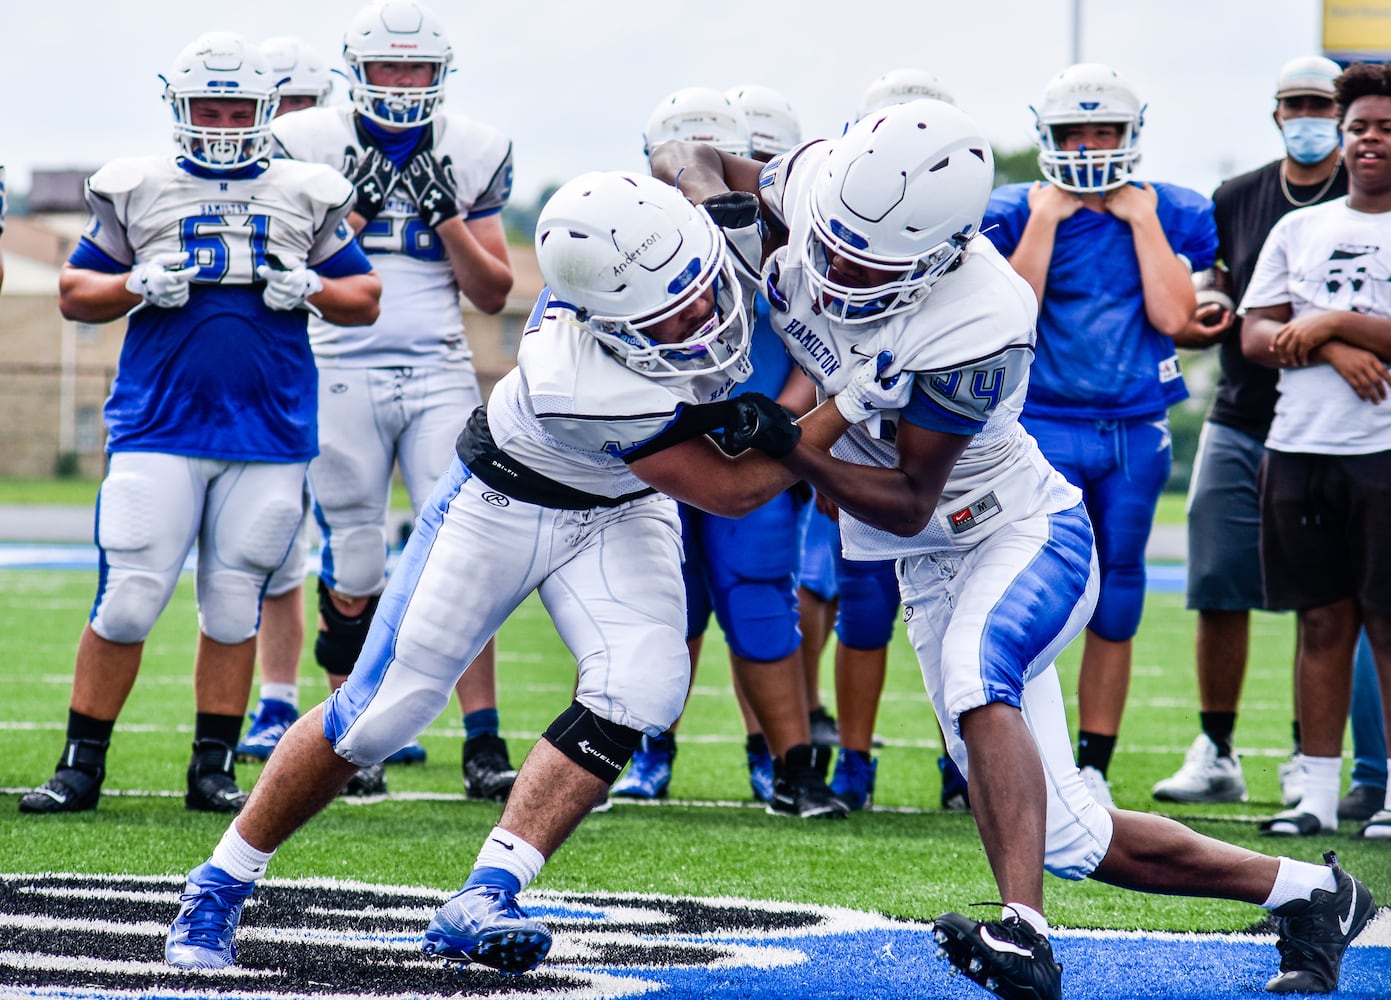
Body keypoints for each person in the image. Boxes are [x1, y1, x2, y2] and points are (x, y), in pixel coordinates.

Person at [654, 96, 1376, 1000]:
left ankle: (1023, 938)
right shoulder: (819, 183)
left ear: (946, 245)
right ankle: (1314, 895)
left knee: (973, 673)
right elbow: (694, 155)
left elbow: (913, 498)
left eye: (865, 259)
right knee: (1070, 835)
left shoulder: (982, 318)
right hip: (927, 562)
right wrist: (711, 206)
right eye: (831, 240)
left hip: (1013, 529)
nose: (836, 267)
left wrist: (793, 442)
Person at [164, 169, 901, 974]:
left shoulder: (685, 241)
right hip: (507, 503)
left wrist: (752, 196)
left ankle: (487, 890)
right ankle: (220, 882)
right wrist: (849, 400)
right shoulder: (575, 380)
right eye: (665, 316)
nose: (698, 315)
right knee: (381, 715)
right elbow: (733, 489)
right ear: (601, 320)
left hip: (621, 504)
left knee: (642, 685)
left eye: (699, 288)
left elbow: (746, 184)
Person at [18, 32, 380, 816]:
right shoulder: (135, 184)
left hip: (268, 428)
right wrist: (134, 284)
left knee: (232, 601)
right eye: (206, 107)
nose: (220, 122)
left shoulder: (307, 188)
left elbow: (364, 298)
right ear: (178, 110)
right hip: (158, 420)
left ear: (263, 110)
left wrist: (312, 286)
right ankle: (81, 763)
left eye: (235, 107)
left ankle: (211, 766)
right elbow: (78, 290)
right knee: (128, 600)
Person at [262, 0, 519, 799]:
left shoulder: (474, 148)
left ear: (439, 75)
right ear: (354, 71)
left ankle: (482, 737)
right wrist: (358, 210)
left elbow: (492, 291)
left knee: (467, 551)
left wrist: (446, 218)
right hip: (338, 363)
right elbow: (277, 262)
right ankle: (351, 735)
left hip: (438, 367)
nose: (402, 85)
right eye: (388, 68)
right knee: (357, 552)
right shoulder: (303, 143)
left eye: (416, 69)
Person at [982, 64, 1218, 807]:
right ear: (1046, 135)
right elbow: (1006, 315)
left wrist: (1142, 220)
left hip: (1131, 428)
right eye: (1073, 131)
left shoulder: (1172, 210)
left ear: (1131, 134)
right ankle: (1004, 749)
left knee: (1118, 591)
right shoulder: (1015, 209)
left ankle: (1091, 764)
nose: (1088, 146)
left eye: (1103, 131)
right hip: (1041, 423)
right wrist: (1048, 220)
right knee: (1025, 587)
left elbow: (1178, 319)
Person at [614, 87, 840, 817]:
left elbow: (822, 340)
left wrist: (785, 416)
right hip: (663, 445)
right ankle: (647, 751)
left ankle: (790, 766)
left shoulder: (783, 240)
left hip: (754, 444)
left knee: (757, 598)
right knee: (658, 606)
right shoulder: (625, 237)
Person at [1151, 56, 1349, 808]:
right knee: (1216, 583)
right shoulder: (1237, 194)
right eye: (1295, 104)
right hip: (1241, 409)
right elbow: (1216, 279)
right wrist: (1205, 299)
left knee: (1323, 594)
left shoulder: (1363, 194)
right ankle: (1217, 746)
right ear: (1274, 114)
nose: (1308, 118)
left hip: (1333, 421)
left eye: (1319, 105)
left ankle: (1311, 752)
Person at [1241, 60, 1391, 841]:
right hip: (1299, 447)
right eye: (1359, 127)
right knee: (1321, 625)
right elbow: (1257, 333)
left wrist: (1331, 323)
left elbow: (1311, 323)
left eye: (1385, 129)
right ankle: (1317, 798)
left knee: (1387, 622)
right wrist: (1330, 345)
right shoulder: (1297, 227)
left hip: (1382, 452)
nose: (1370, 141)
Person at [234, 36, 340, 772]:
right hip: (269, 378)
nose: (285, 123)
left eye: (298, 105)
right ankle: (275, 697)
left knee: (346, 547)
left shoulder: (334, 174)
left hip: (340, 370)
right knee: (270, 548)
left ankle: (348, 699)